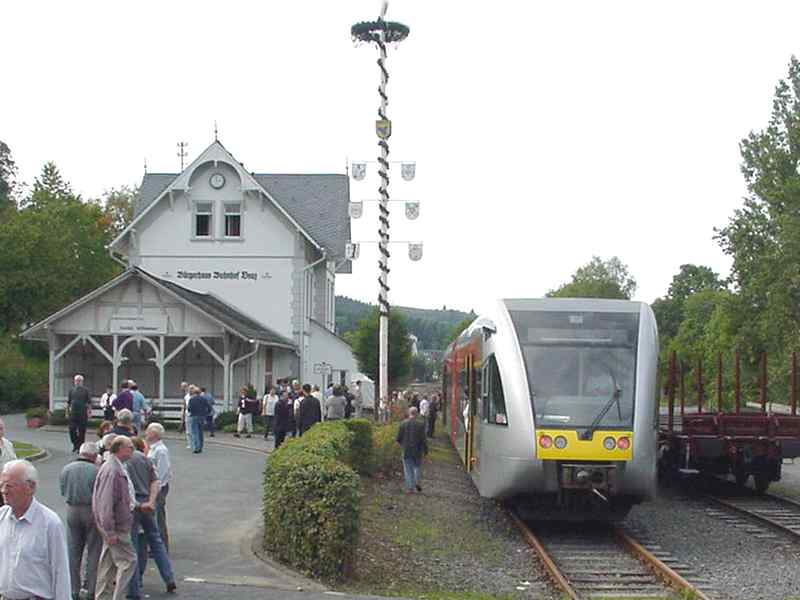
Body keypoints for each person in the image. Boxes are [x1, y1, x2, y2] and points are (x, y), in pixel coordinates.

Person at [0, 460, 71, 600]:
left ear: (30, 487)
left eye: (9, 485)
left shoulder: (50, 523)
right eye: (1, 485)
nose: (4, 491)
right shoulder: (1, 517)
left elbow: (61, 572)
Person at [126, 437, 176, 597]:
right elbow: (156, 480)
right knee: (156, 541)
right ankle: (169, 578)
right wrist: (152, 501)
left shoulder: (126, 461)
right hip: (148, 502)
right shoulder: (145, 459)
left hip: (134, 506)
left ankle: (134, 587)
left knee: (132, 547)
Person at [93, 435, 137, 600]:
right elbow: (105, 503)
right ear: (119, 449)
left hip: (112, 526)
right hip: (116, 527)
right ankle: (117, 597)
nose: (132, 450)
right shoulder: (112, 470)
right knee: (129, 561)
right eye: (129, 447)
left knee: (108, 563)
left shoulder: (113, 467)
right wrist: (109, 531)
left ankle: (102, 596)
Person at [60, 442, 102, 600]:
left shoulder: (66, 469)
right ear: (93, 455)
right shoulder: (97, 471)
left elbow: (63, 490)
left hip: (72, 509)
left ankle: (73, 589)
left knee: (73, 550)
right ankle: (90, 588)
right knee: (93, 549)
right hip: (91, 509)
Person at [145, 423, 172, 552]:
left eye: (148, 431)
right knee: (154, 516)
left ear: (154, 434)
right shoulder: (153, 448)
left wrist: (156, 489)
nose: (145, 433)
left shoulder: (160, 451)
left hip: (158, 487)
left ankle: (162, 547)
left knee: (158, 517)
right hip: (154, 485)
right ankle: (155, 546)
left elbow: (163, 471)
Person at [396, 406, 428, 494]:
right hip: (418, 451)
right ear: (417, 414)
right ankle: (417, 482)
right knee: (417, 467)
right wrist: (426, 450)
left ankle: (410, 487)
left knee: (408, 469)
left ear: (409, 413)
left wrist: (401, 445)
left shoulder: (403, 424)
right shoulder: (421, 425)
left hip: (406, 450)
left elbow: (398, 438)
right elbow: (423, 439)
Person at [68, 373, 92, 453]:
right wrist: (67, 411)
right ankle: (75, 444)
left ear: (82, 382)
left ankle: (80, 446)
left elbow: (89, 402)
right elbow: (69, 402)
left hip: (82, 413)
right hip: (73, 413)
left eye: (79, 381)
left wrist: (89, 412)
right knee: (72, 430)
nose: (77, 382)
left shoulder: (86, 390)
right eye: (76, 381)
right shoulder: (71, 390)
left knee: (82, 430)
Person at [187, 385, 209, 453]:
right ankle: (201, 446)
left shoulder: (191, 399)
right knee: (200, 432)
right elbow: (209, 407)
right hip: (202, 417)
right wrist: (205, 414)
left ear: (194, 392)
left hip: (194, 416)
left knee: (195, 432)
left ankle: (197, 447)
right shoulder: (204, 399)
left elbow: (189, 409)